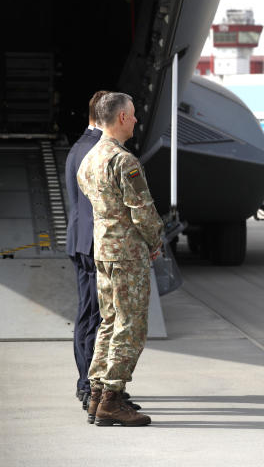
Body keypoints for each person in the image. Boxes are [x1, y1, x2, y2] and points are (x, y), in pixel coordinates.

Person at [77, 92, 162, 427]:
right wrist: (155, 241)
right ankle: (112, 398)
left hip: (104, 250)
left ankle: (96, 394)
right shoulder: (124, 161)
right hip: (128, 254)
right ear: (122, 118)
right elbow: (142, 211)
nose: (137, 120)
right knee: (131, 325)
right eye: (134, 114)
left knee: (109, 321)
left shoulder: (90, 158)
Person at [65, 90, 108, 409]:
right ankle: (89, 385)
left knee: (86, 314)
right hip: (95, 244)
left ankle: (86, 382)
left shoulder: (77, 148)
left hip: (80, 240)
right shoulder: (97, 150)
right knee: (97, 317)